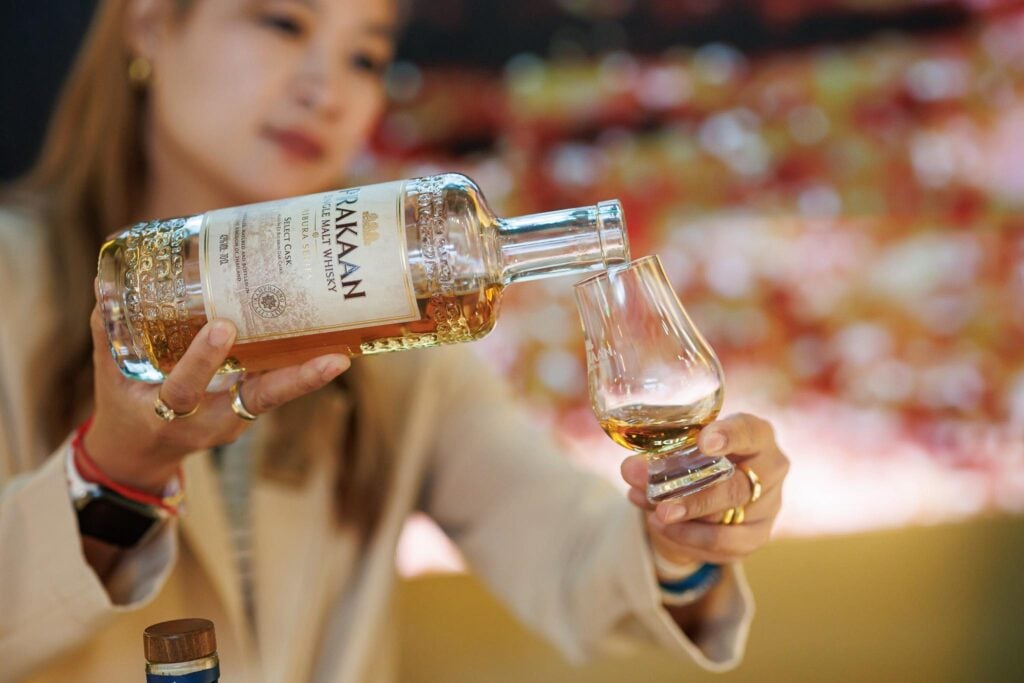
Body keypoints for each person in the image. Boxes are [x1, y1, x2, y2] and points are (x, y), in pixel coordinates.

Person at [0, 1, 790, 681]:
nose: (327, 90)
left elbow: (569, 549)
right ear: (148, 23)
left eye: (365, 57)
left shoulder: (395, 330)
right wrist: (112, 477)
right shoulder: (13, 283)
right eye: (283, 22)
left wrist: (684, 539)